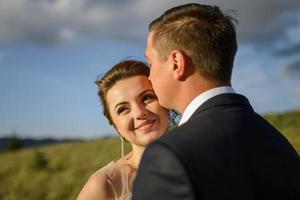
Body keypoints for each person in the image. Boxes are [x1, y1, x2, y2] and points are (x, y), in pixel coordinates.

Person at [133, 3, 300, 200]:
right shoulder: (278, 141)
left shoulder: (169, 156)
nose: (149, 77)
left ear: (176, 63)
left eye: (151, 63)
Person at [76, 60, 170, 200]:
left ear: (164, 102)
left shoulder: (199, 157)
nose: (139, 113)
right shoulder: (106, 184)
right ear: (116, 126)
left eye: (147, 97)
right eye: (123, 109)